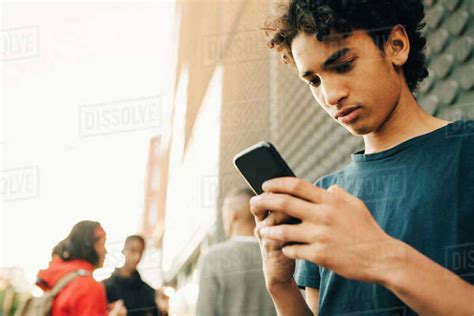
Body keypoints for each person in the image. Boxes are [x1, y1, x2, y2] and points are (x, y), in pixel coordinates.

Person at [250, 1, 474, 315]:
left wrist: (381, 256)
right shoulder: (326, 196)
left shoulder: (466, 150)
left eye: (342, 65)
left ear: (396, 45)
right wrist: (280, 286)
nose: (330, 96)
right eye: (313, 81)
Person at [196, 188, 277, 316]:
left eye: (224, 215)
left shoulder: (213, 258)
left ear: (233, 215)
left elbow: (204, 311)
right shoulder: (278, 256)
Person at [37, 220, 125, 315]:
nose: (105, 251)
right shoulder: (88, 287)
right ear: (90, 245)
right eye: (103, 243)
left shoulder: (63, 279)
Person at [103, 235, 159, 316]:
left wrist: (163, 311)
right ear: (123, 250)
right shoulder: (105, 288)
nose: (137, 257)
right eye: (133, 251)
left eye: (141, 252)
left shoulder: (149, 293)